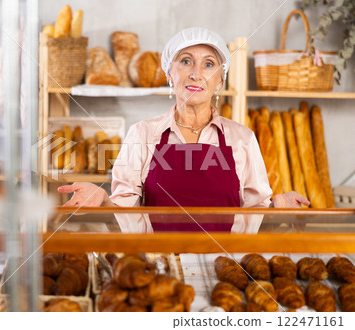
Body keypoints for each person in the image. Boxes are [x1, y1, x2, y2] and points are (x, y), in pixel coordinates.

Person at [58, 27, 309, 231]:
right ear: (169, 73)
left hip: (227, 267)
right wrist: (103, 202)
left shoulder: (242, 138)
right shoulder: (143, 134)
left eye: (208, 64)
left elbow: (254, 216)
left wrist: (276, 207)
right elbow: (125, 215)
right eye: (186, 62)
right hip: (160, 268)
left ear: (220, 80)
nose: (196, 74)